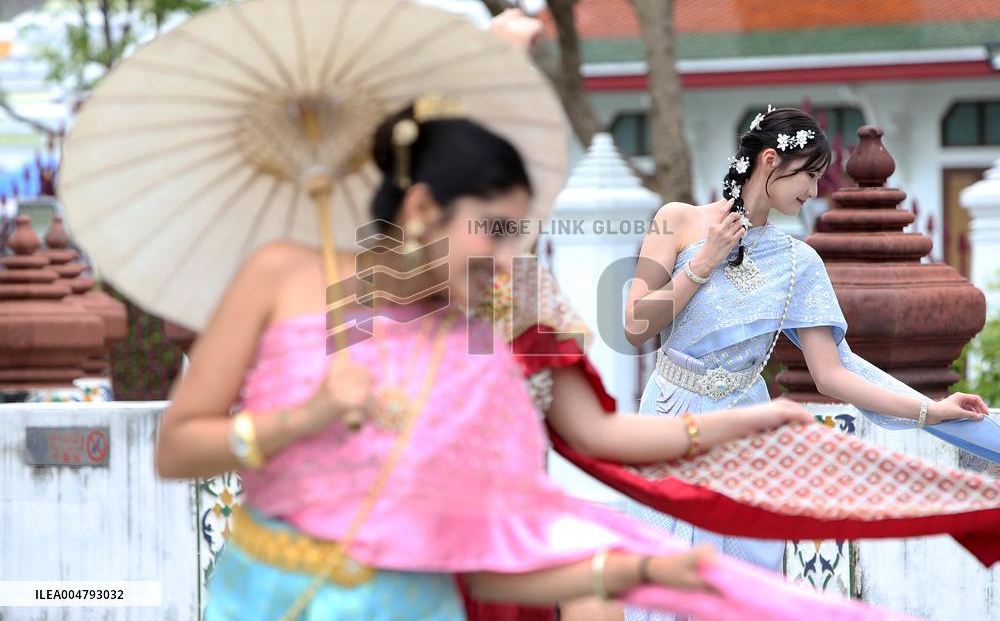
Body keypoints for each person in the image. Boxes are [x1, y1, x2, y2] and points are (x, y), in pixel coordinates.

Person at [154, 101, 889, 621]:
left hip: (419, 601)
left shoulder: (508, 311)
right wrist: (299, 420)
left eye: (519, 234)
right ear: (418, 212)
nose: (510, 257)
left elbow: (592, 438)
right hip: (269, 594)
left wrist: (752, 422)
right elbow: (178, 446)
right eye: (495, 232)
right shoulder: (283, 274)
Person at [621, 105, 990, 619]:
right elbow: (635, 323)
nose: (814, 192)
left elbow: (835, 371)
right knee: (662, 574)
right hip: (668, 416)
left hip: (745, 432)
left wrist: (929, 409)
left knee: (742, 583)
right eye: (809, 176)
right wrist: (703, 263)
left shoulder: (799, 262)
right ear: (769, 160)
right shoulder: (676, 221)